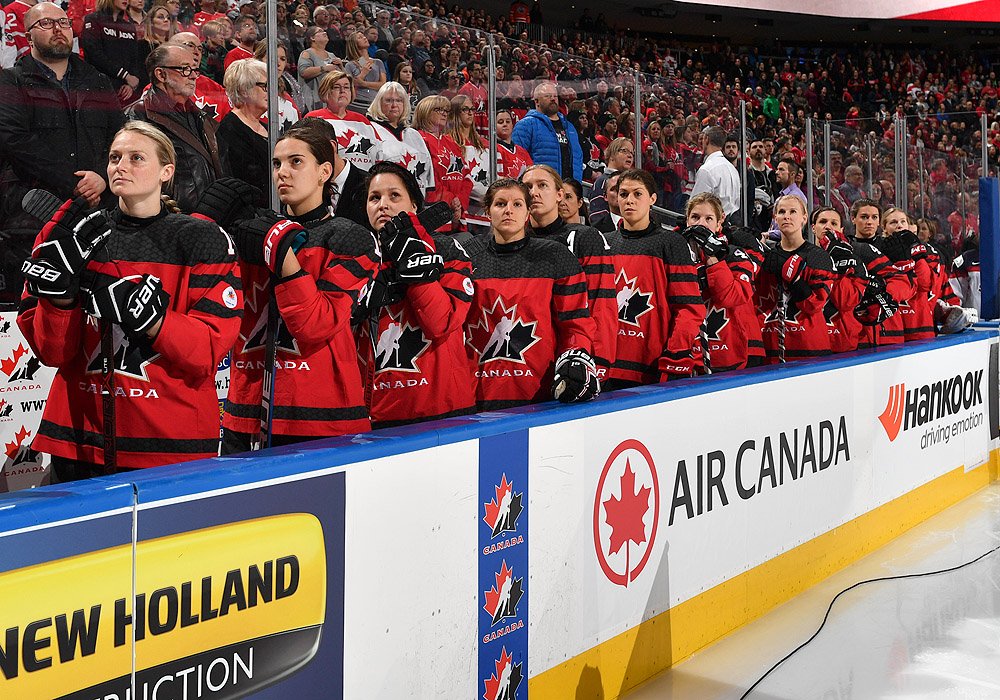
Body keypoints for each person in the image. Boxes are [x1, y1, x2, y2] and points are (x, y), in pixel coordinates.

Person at [17, 120, 241, 477]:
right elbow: (52, 353)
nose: (121, 166)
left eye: (137, 158)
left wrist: (153, 319)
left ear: (166, 171)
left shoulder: (203, 239)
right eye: (115, 157)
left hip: (170, 443)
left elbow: (208, 351)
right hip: (77, 437)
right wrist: (60, 302)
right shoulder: (73, 236)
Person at [219, 118, 380, 452]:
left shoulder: (350, 237)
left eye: (296, 162)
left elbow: (315, 323)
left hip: (322, 413)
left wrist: (280, 251)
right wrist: (206, 228)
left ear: (324, 171)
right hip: (246, 410)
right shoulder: (253, 232)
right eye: (277, 163)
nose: (283, 172)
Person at [0, 1, 124, 303]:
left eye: (64, 22)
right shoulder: (10, 80)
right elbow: (15, 142)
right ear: (28, 37)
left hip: (96, 215)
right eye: (46, 24)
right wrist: (77, 184)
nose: (58, 29)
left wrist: (101, 176)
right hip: (31, 221)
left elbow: (119, 136)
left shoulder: (97, 80)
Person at [463, 178, 599, 409]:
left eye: (517, 204)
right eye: (500, 204)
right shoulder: (466, 256)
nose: (508, 210)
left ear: (527, 212)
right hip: (475, 393)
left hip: (539, 394)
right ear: (487, 212)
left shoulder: (556, 256)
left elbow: (575, 325)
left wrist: (575, 358)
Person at [359, 161, 475, 426]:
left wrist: (413, 257)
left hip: (444, 410)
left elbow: (441, 323)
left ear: (414, 205)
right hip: (378, 416)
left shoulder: (448, 250)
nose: (382, 204)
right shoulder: (362, 258)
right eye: (374, 198)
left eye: (394, 195)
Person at [609, 169, 705, 388]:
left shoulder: (672, 243)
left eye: (637, 194)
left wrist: (676, 354)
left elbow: (689, 308)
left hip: (651, 368)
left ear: (652, 199)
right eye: (623, 194)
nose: (629, 200)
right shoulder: (604, 243)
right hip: (607, 365)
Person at [522, 164, 618, 375]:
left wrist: (598, 362)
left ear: (559, 195)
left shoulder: (584, 237)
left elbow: (600, 304)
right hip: (527, 361)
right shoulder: (514, 241)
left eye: (542, 185)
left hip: (575, 358)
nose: (534, 192)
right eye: (527, 187)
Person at [126, 44, 224, 212]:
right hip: (171, 219)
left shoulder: (200, 116)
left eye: (195, 70)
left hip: (207, 216)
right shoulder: (139, 115)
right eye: (185, 69)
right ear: (161, 74)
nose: (193, 76)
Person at [681, 192, 754, 372]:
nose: (701, 224)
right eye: (695, 217)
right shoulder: (675, 253)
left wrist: (713, 258)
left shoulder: (734, 254)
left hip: (726, 352)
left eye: (708, 219)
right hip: (686, 352)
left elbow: (732, 297)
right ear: (687, 220)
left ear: (719, 223)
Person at [757, 194, 835, 363]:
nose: (787, 216)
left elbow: (815, 304)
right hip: (772, 344)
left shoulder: (817, 256)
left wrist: (796, 281)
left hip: (809, 345)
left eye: (793, 211)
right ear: (775, 218)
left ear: (804, 218)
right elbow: (760, 302)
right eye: (782, 212)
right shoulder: (768, 256)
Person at [849, 199, 913, 347]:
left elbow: (909, 285)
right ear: (853, 219)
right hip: (857, 328)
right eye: (864, 217)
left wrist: (885, 294)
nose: (869, 222)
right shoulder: (846, 247)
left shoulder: (893, 248)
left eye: (874, 217)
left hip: (889, 327)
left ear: (879, 222)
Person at [810, 206, 865, 354]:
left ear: (841, 229)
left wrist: (840, 261)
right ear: (813, 228)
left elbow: (845, 302)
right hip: (811, 341)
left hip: (843, 342)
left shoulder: (854, 261)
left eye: (834, 223)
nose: (828, 226)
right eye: (823, 222)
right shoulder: (803, 257)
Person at [305, 70, 381, 172]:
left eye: (346, 87)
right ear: (326, 91)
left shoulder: (363, 121)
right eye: (336, 87)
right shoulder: (313, 119)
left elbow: (379, 153)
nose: (342, 91)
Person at [367, 81, 434, 195]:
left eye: (399, 100)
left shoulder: (414, 135)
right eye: (388, 100)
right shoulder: (370, 130)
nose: (394, 105)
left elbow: (427, 174)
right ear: (379, 103)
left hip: (415, 201)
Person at [217, 58, 268, 206]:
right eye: (264, 86)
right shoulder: (230, 129)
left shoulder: (267, 126)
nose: (270, 91)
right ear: (243, 90)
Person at [414, 94, 467, 232]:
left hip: (456, 210)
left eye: (446, 111)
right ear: (425, 111)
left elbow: (466, 176)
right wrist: (451, 200)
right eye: (439, 109)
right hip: (433, 209)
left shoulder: (452, 143)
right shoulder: (418, 139)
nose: (444, 113)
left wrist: (460, 202)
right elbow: (427, 176)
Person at [511, 80, 583, 181]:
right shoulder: (526, 125)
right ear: (536, 102)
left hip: (569, 189)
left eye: (555, 96)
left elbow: (578, 159)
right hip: (541, 189)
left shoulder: (569, 127)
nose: (553, 99)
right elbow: (517, 159)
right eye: (548, 96)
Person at [881, 207, 935, 342]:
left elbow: (924, 284)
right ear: (884, 228)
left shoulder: (923, 250)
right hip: (890, 324)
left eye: (903, 221)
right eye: (893, 222)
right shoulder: (878, 251)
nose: (899, 225)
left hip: (918, 322)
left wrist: (916, 253)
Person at [81, 0, 145, 105]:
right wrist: (126, 76)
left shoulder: (129, 26)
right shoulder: (93, 20)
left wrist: (131, 84)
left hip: (125, 92)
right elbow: (94, 54)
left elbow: (135, 58)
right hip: (98, 89)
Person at [449, 94, 489, 231]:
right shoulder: (449, 143)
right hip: (465, 208)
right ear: (455, 112)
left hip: (485, 209)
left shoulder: (484, 144)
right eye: (465, 109)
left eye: (472, 109)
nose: (470, 113)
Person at [689, 126, 741, 219]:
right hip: (730, 223)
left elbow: (696, 205)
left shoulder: (707, 169)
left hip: (713, 226)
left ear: (706, 139)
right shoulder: (732, 169)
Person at [254, 40, 301, 132]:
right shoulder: (246, 96)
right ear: (258, 60)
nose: (278, 63)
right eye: (271, 57)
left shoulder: (288, 101)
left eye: (282, 59)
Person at [297, 26, 342, 112]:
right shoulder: (307, 53)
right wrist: (324, 68)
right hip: (313, 101)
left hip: (331, 101)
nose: (324, 32)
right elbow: (304, 72)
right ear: (312, 38)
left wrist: (341, 67)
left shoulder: (331, 55)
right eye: (320, 31)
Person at [589, 137, 634, 222]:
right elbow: (598, 219)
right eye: (624, 151)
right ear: (612, 155)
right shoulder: (602, 182)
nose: (630, 155)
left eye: (632, 153)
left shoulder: (629, 182)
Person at [343, 30, 385, 113]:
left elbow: (382, 84)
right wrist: (363, 73)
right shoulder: (350, 65)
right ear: (354, 43)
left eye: (364, 36)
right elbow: (351, 84)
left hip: (375, 102)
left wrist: (363, 83)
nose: (364, 38)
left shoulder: (378, 62)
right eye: (360, 37)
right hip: (357, 103)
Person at [496, 109, 532, 180]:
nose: (505, 124)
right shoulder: (494, 150)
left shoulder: (522, 151)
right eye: (500, 122)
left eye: (508, 121)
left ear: (512, 125)